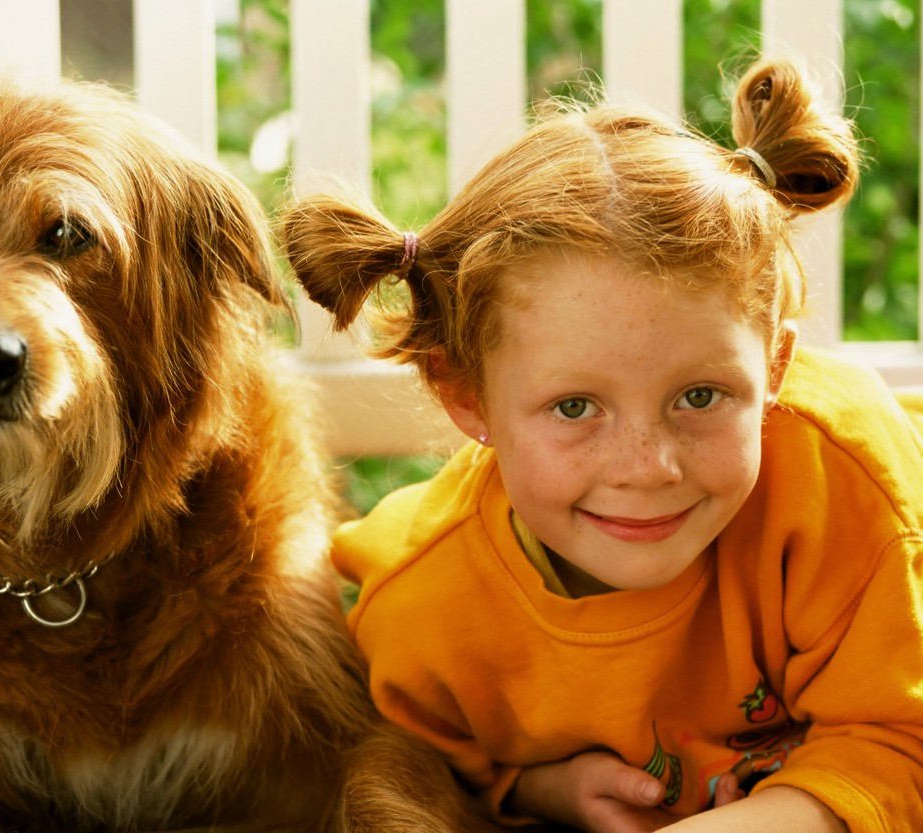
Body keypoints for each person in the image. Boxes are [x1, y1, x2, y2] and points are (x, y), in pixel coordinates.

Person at [279, 58, 923, 832]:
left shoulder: (843, 478)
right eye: (576, 407)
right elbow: (435, 763)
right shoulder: (424, 615)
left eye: (700, 396)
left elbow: (902, 737)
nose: (648, 467)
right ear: (466, 396)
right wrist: (538, 786)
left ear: (776, 366)